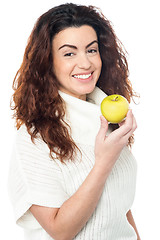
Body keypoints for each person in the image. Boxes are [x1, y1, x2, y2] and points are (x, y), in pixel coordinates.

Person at [8, 3, 141, 240]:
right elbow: (61, 231)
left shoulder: (109, 117)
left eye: (91, 50)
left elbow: (119, 206)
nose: (86, 64)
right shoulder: (34, 138)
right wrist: (103, 162)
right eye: (69, 53)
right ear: (48, 62)